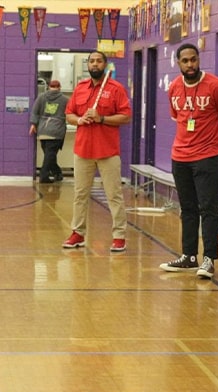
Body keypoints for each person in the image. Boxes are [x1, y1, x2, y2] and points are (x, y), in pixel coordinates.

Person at [159, 43, 218, 278]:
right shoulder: (173, 88)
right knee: (187, 208)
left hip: (207, 157)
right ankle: (189, 256)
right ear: (179, 63)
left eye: (194, 60)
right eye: (185, 61)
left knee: (208, 209)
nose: (190, 64)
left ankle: (209, 259)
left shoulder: (215, 86)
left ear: (199, 60)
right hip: (180, 157)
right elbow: (179, 119)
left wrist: (215, 148)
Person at [62, 50, 131, 252]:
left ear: (104, 64)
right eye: (91, 61)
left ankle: (119, 236)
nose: (95, 64)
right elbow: (69, 113)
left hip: (108, 151)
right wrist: (79, 120)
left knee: (114, 195)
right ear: (88, 64)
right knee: (79, 195)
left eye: (98, 61)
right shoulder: (81, 88)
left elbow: (126, 116)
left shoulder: (115, 88)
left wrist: (102, 118)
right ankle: (78, 233)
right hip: (83, 150)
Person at [29, 80, 68, 183]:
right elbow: (70, 113)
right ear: (59, 87)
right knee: (50, 155)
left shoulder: (41, 97)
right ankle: (44, 176)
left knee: (49, 154)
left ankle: (57, 173)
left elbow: (35, 111)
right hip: (56, 131)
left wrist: (33, 124)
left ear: (48, 87)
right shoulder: (65, 100)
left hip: (43, 130)